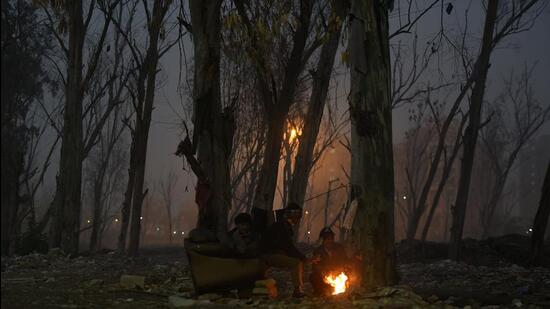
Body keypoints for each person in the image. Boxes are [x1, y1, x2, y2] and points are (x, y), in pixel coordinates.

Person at [259, 203, 316, 298]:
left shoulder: (283, 225)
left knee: (298, 261)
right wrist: (304, 258)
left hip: (271, 253)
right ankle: (297, 290)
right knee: (296, 263)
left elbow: (287, 247)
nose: (298, 219)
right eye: (297, 215)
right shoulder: (282, 227)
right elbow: (288, 247)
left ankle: (298, 289)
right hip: (268, 255)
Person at [309, 227, 352, 296]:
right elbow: (315, 266)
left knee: (349, 273)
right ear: (323, 240)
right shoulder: (318, 251)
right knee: (313, 277)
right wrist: (323, 272)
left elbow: (345, 260)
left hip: (339, 273)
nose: (330, 241)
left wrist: (339, 269)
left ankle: (343, 290)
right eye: (327, 239)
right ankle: (321, 291)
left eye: (331, 238)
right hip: (325, 276)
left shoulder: (339, 248)